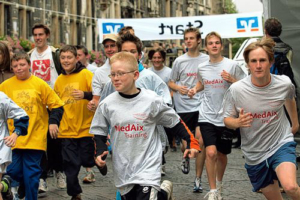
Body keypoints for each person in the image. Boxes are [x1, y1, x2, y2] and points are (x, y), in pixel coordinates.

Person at [90, 51, 200, 200]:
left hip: (148, 165)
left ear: (135, 75)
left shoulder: (151, 100)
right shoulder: (107, 104)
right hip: (123, 168)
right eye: (113, 74)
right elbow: (99, 130)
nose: (115, 78)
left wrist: (191, 142)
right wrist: (100, 151)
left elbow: (174, 122)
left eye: (121, 74)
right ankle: (164, 194)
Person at [222, 38, 300, 200]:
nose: (258, 65)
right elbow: (227, 119)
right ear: (248, 64)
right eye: (254, 61)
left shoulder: (284, 83)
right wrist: (237, 122)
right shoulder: (236, 90)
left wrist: (295, 123)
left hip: (280, 143)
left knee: (290, 186)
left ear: (270, 62)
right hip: (254, 153)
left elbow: (290, 97)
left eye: (262, 60)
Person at [188, 31, 245, 200]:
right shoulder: (202, 67)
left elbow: (245, 85)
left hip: (226, 117)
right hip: (206, 115)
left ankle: (219, 184)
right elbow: (201, 83)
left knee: (221, 154)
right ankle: (213, 191)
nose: (214, 45)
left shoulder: (232, 65)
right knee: (210, 152)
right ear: (206, 47)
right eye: (211, 43)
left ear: (221, 46)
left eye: (217, 43)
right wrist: (194, 89)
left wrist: (232, 80)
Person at [0, 53, 64, 200]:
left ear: (29, 65)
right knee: (13, 171)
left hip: (35, 137)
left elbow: (57, 105)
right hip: (12, 139)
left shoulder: (39, 84)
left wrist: (53, 122)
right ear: (11, 67)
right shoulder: (5, 86)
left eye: (22, 65)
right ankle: (20, 185)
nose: (19, 68)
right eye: (15, 66)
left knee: (32, 174)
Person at [54, 45, 105, 200]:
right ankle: (75, 194)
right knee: (70, 164)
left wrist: (85, 95)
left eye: (69, 57)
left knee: (86, 159)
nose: (66, 61)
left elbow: (99, 95)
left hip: (85, 128)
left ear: (76, 58)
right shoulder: (59, 80)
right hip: (66, 130)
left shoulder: (86, 75)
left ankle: (99, 162)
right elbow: (56, 104)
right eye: (63, 58)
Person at [168, 27, 209, 193]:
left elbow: (211, 80)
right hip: (183, 106)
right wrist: (179, 88)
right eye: (186, 38)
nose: (189, 41)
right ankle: (185, 156)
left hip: (201, 105)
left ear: (199, 40)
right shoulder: (179, 61)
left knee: (200, 142)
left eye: (192, 38)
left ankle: (198, 179)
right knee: (186, 145)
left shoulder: (207, 60)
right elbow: (170, 82)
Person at [28, 23, 66, 193]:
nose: (38, 38)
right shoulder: (29, 56)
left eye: (41, 34)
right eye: (35, 35)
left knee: (55, 141)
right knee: (39, 143)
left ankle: (59, 171)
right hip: (36, 105)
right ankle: (41, 178)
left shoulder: (54, 54)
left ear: (47, 35)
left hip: (54, 103)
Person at [148, 47, 173, 176]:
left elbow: (172, 87)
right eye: (154, 57)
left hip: (165, 109)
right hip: (151, 110)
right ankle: (159, 163)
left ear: (163, 58)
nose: (157, 60)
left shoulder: (169, 72)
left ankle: (163, 153)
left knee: (165, 136)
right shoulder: (147, 72)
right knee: (154, 136)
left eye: (159, 57)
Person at [0, 92, 29, 200]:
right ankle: (4, 185)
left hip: (1, 145)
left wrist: (16, 133)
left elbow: (21, 115)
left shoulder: (1, 98)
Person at [87, 34, 119, 112]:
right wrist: (93, 104)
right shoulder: (99, 72)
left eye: (112, 46)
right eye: (106, 46)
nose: (109, 49)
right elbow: (96, 98)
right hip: (108, 116)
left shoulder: (130, 67)